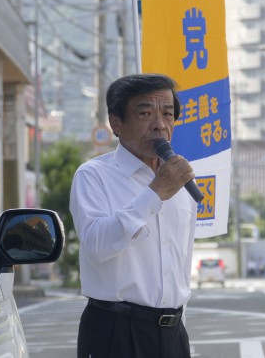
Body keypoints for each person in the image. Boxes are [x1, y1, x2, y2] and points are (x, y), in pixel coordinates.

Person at [70, 73, 197, 358]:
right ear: (116, 122)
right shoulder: (93, 176)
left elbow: (182, 263)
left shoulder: (181, 181)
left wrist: (180, 325)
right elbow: (96, 246)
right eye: (145, 113)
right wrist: (155, 193)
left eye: (168, 114)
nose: (160, 125)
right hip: (115, 332)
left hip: (173, 332)